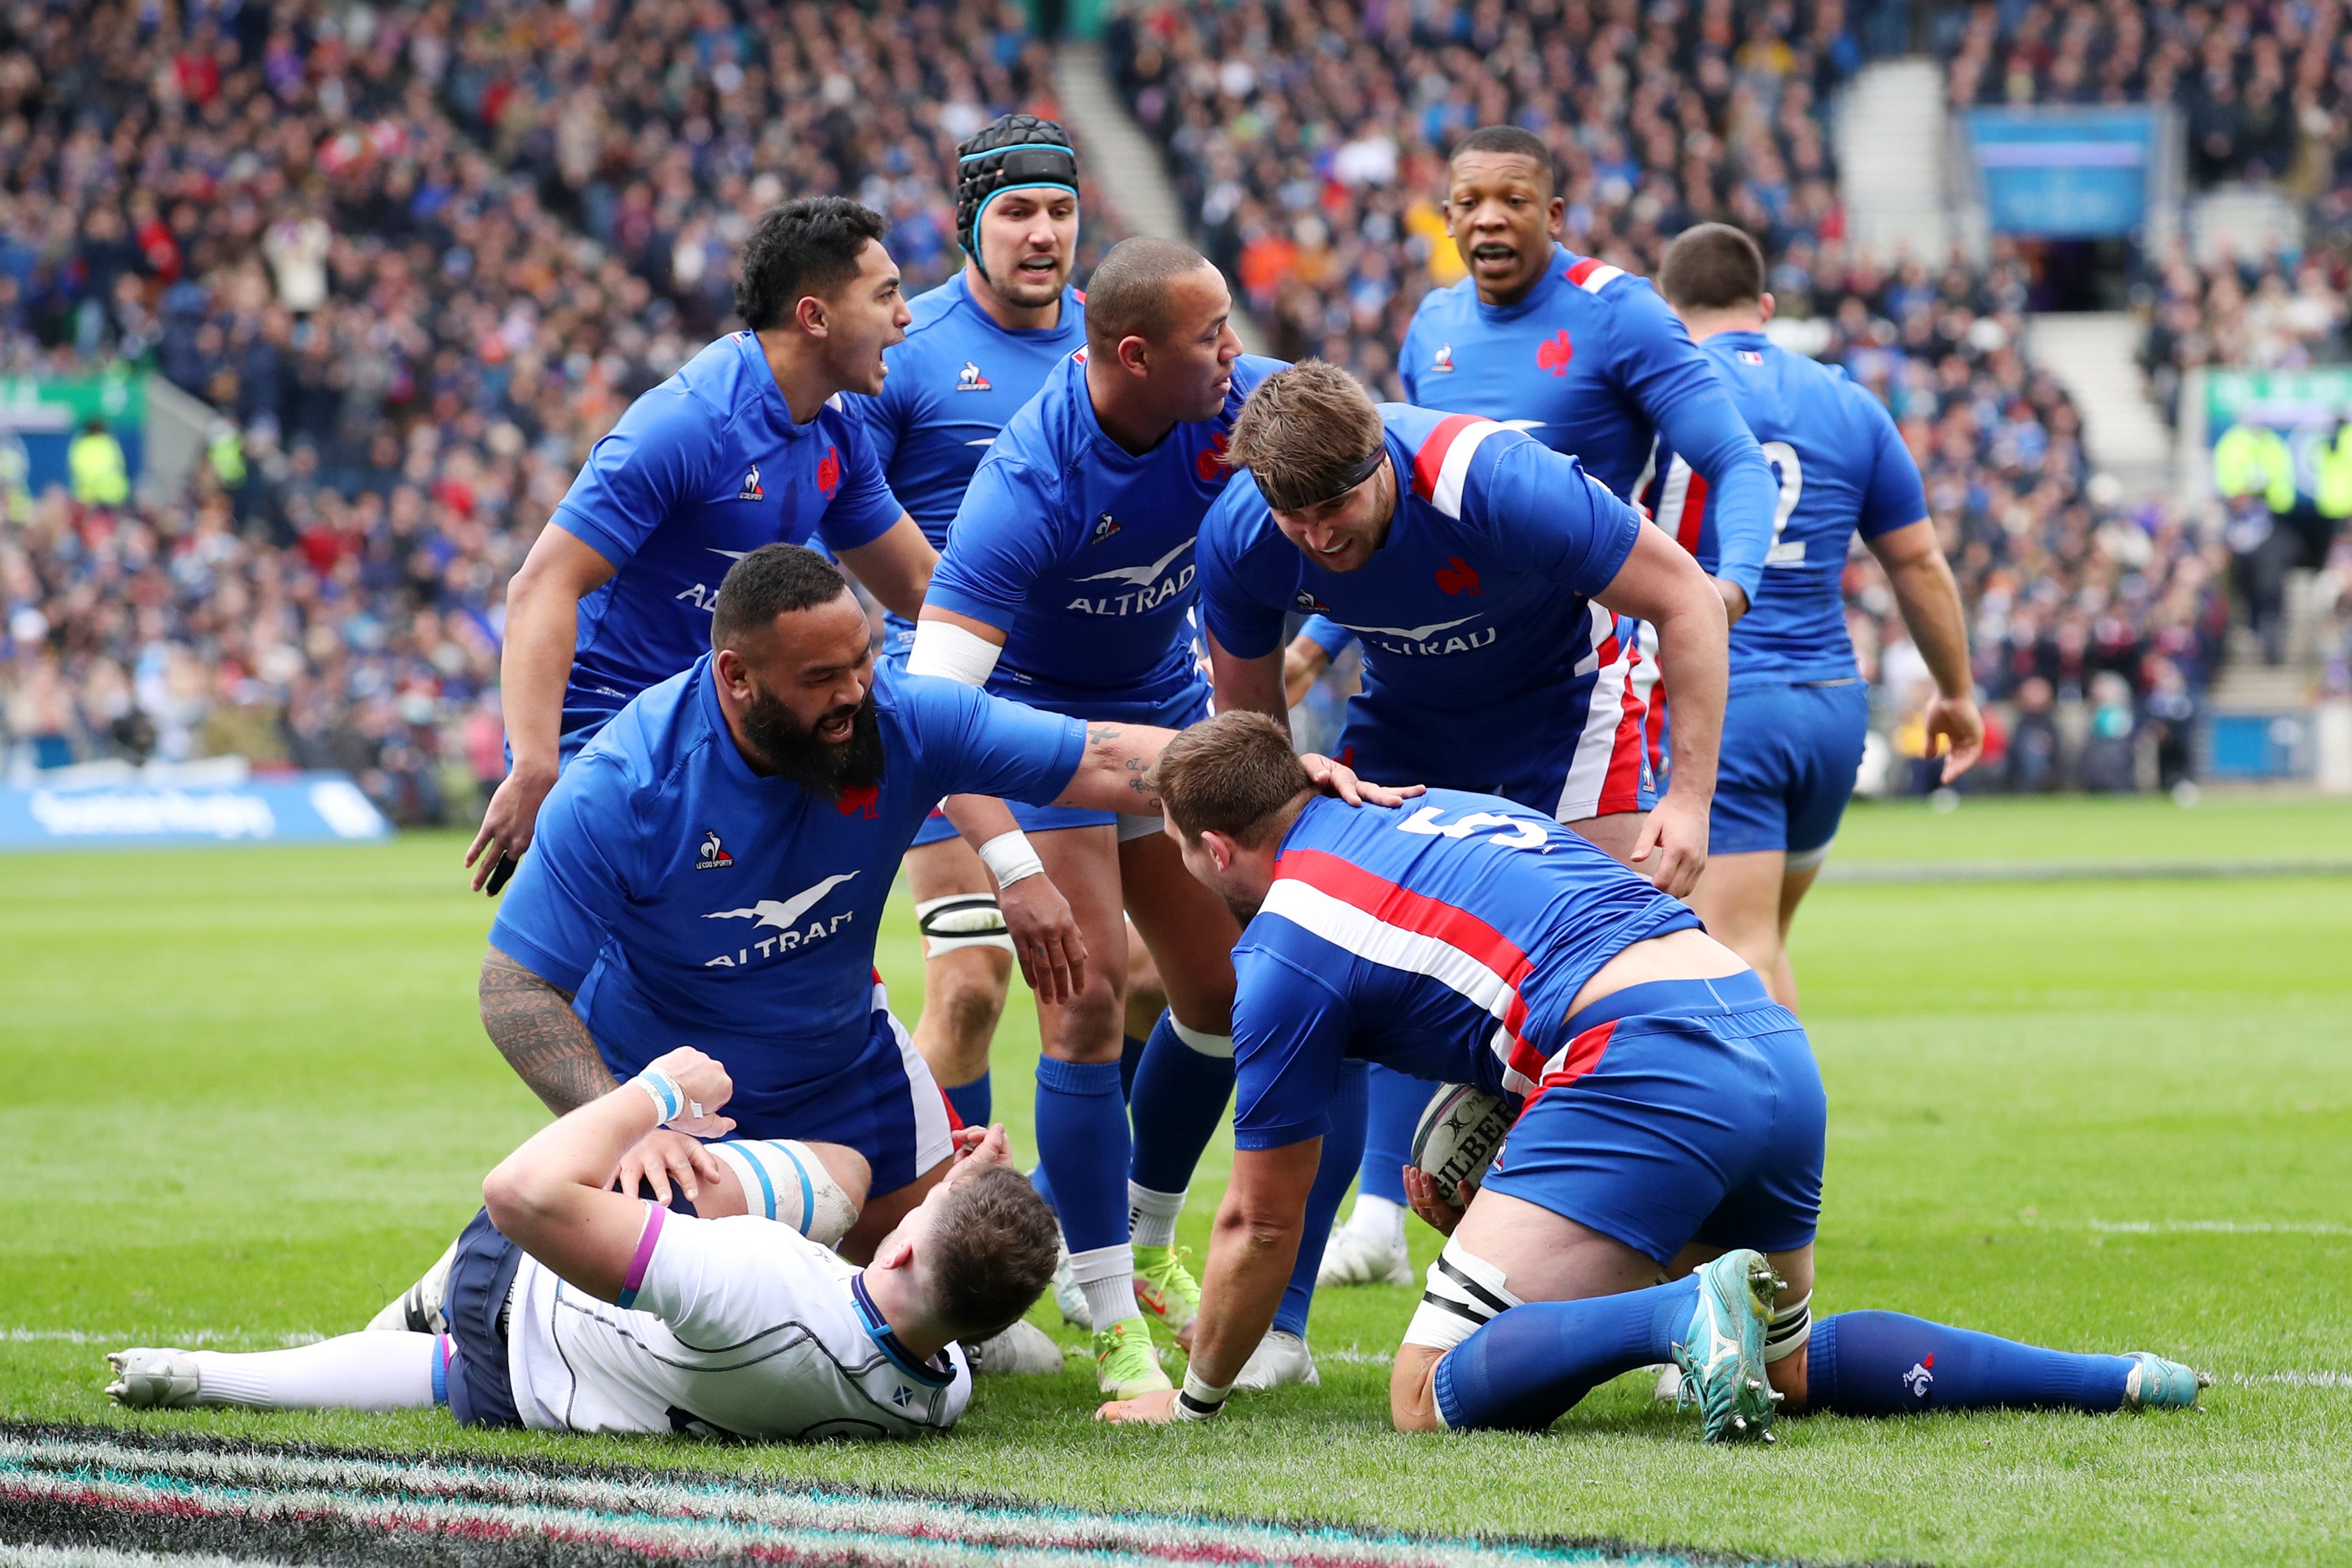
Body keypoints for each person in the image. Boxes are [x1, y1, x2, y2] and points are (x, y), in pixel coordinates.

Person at [1098, 713, 2209, 1434]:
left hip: (1639, 1062)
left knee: (1423, 1394)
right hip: (1759, 1029)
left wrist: (1193, 1398)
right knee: (1788, 1371)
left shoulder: (1284, 943)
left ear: (1215, 846)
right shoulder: (1434, 806)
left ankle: (1680, 1308)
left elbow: (1258, 1220)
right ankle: (2109, 1375)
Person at [466, 544, 1399, 1275]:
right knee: (703, 1307)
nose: (853, 695)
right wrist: (628, 1115)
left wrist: (1267, 779)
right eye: (821, 679)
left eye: (862, 662)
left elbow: (1102, 758)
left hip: (846, 1067)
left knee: (956, 1290)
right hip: (680, 1099)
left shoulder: (899, 716)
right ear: (735, 676)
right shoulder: (625, 785)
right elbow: (513, 984)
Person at [1193, 359, 1731, 1379]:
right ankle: (1280, 1328)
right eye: (1291, 513)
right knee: (1312, 983)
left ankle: (1689, 1300)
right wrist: (1290, 779)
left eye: (1336, 504)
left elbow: (1688, 600)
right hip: (1405, 731)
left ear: (1380, 460)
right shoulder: (1243, 531)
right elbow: (1246, 740)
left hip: (1567, 711)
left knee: (1627, 1003)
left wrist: (1690, 799)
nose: (1315, 534)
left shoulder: (1494, 479)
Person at [1311, 124, 1780, 1291]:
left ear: (1556, 213)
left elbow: (1738, 458)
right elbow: (1400, 511)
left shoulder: (1619, 315)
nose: (1485, 221)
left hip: (1580, 690)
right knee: (1394, 936)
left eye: (1512, 199)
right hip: (1431, 688)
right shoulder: (1429, 327)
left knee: (1620, 968)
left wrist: (1725, 590)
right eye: (1467, 199)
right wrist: (1320, 640)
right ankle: (1378, 1201)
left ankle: (1699, 1253)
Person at [907, 236, 1285, 1398]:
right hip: (1038, 734)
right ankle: (1118, 1322)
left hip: (1164, 712)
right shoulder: (1029, 481)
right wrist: (1011, 861)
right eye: (1210, 334)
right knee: (1077, 1013)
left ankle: (1133, 1229)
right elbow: (929, 708)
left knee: (1223, 994)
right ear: (1133, 354)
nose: (1236, 350)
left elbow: (1367, 465)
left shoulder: (1241, 407)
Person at [108, 1047, 1064, 1439]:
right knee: (433, 1369)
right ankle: (211, 1374)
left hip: (518, 1271)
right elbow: (936, 1282)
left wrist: (653, 1095)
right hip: (518, 1396)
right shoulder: (939, 1399)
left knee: (831, 1173)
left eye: (913, 1219)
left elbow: (519, 1194)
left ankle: (428, 1285)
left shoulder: (752, 1274)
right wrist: (983, 1193)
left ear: (894, 1252)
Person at [465, 197, 942, 893]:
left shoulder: (836, 432)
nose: (906, 316)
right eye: (887, 294)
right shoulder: (689, 423)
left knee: (771, 939)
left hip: (716, 727)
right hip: (605, 729)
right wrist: (536, 764)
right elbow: (540, 586)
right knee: (665, 966)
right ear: (814, 317)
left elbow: (922, 587)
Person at [1649, 224, 1982, 1009]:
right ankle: (1784, 1128)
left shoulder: (1663, 390)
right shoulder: (1846, 400)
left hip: (1723, 701)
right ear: (1763, 307)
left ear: (1668, 310)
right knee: (1760, 942)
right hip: (1828, 704)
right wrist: (1956, 692)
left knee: (1727, 950)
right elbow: (1917, 562)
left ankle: (1778, 1134)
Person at [849, 114, 1094, 1135]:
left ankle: (1116, 1238)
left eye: (1061, 210)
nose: (1041, 233)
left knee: (1128, 994)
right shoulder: (910, 351)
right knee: (971, 987)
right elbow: (847, 510)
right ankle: (950, 1239)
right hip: (950, 694)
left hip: (1097, 694)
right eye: (1018, 212)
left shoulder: (1118, 337)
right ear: (970, 224)